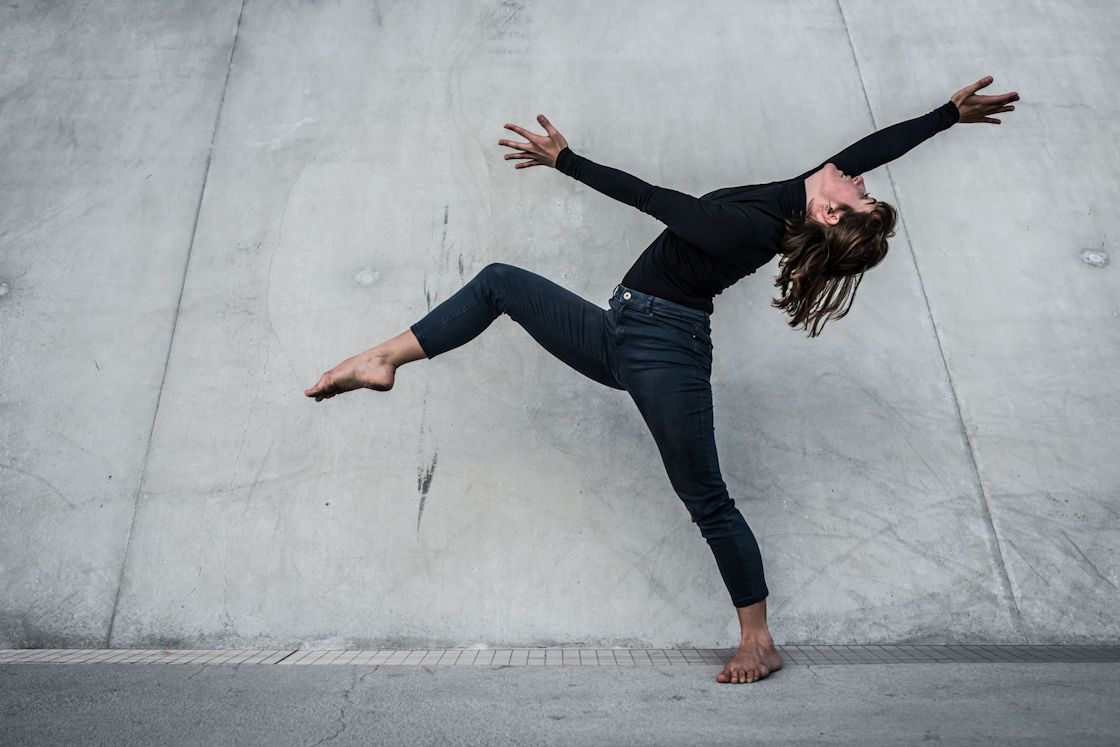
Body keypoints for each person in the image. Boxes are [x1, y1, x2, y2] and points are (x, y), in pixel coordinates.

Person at [304, 76, 1019, 684]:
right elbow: (872, 149)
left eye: (860, 194)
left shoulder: (749, 230)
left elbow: (654, 198)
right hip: (620, 331)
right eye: (862, 187)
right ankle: (384, 358)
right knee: (498, 283)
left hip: (662, 350)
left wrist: (566, 160)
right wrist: (946, 116)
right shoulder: (791, 193)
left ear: (829, 213)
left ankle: (757, 639)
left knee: (706, 499)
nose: (861, 179)